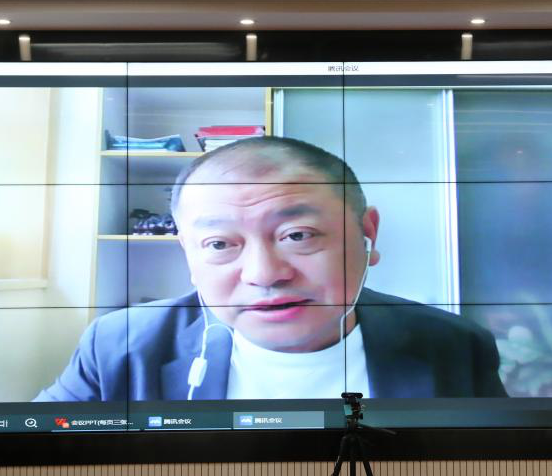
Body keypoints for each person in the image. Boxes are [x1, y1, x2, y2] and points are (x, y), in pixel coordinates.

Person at [35, 136, 507, 402]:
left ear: (367, 234)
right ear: (189, 256)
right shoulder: (120, 347)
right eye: (220, 244)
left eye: (297, 236)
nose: (264, 274)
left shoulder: (455, 346)